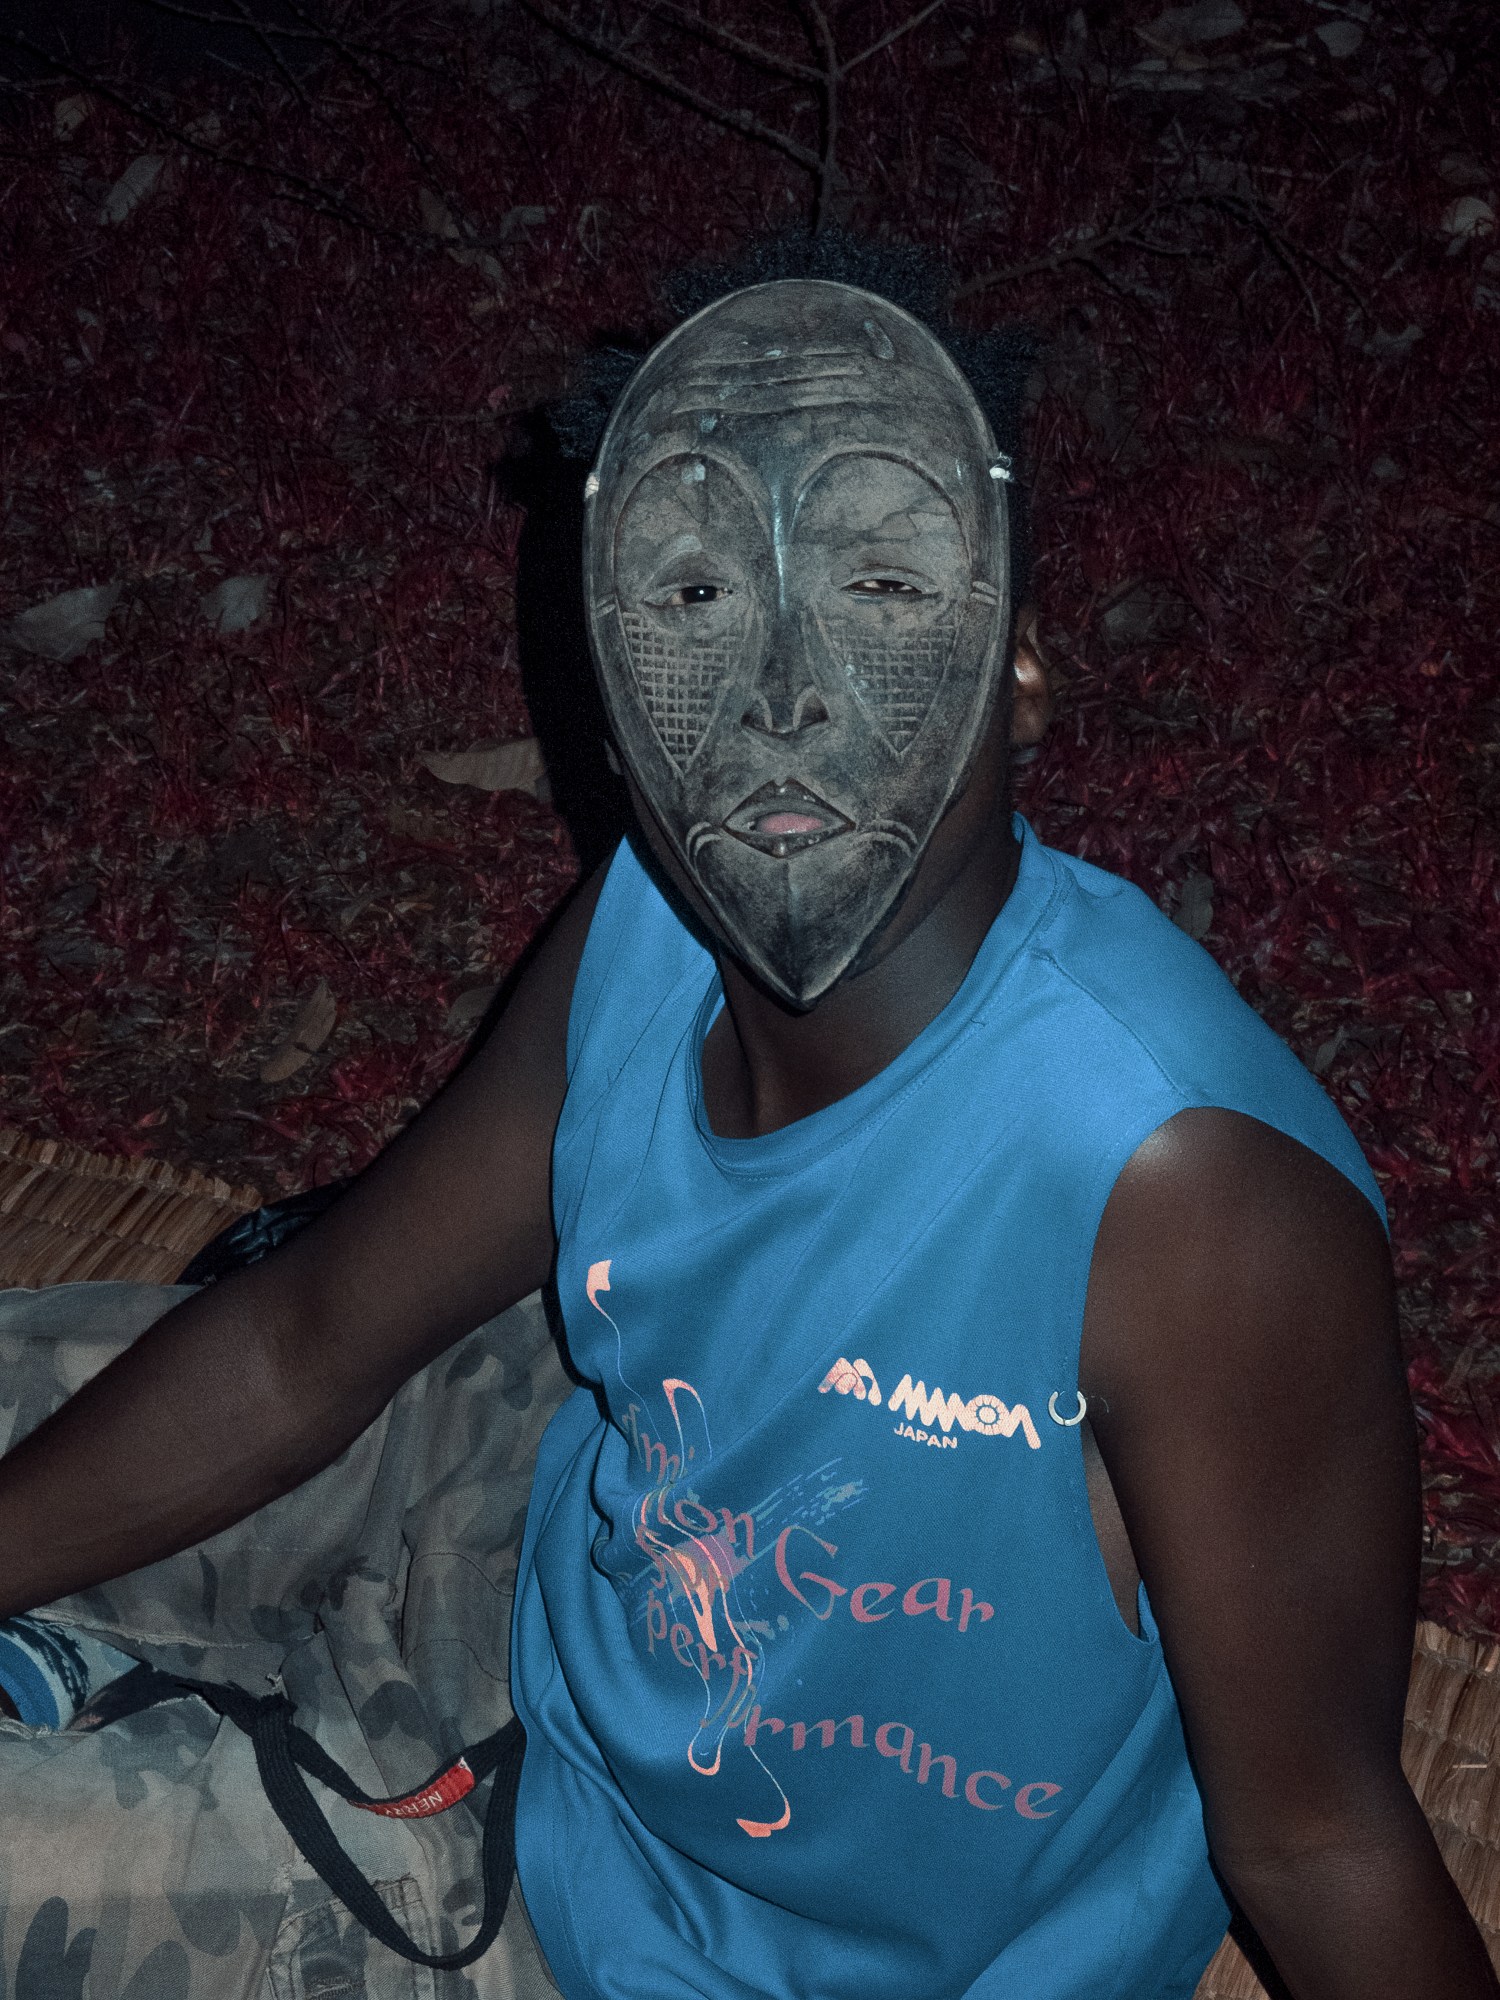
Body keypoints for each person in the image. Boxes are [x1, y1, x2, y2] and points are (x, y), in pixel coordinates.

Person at [0, 254, 1495, 2000]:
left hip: (675, 1945)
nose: (783, 693)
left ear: (1020, 664)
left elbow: (1317, 1836)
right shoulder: (649, 924)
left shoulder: (1178, 1192)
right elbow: (306, 1346)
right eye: (698, 592)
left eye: (875, 579)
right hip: (559, 1554)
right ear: (613, 689)